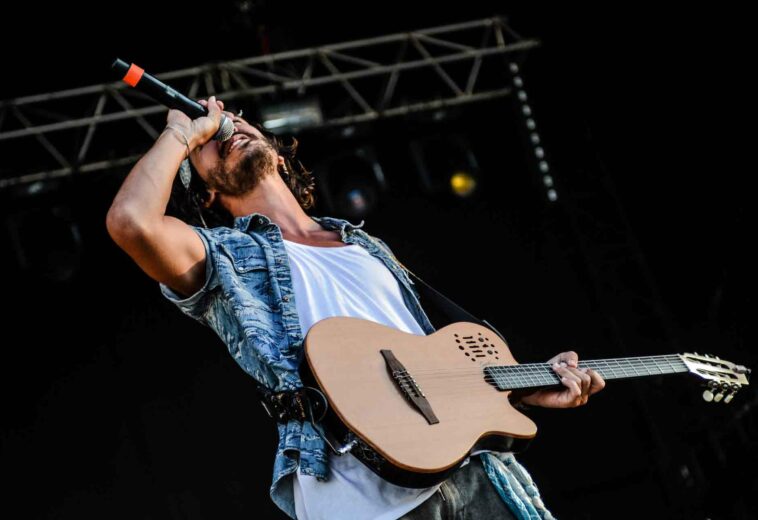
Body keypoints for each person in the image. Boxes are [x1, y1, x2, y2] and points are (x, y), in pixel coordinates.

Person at [106, 95, 606, 520]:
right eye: (210, 142)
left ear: (278, 156)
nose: (226, 129)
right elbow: (131, 221)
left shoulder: (365, 246)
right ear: (208, 191)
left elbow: (438, 361)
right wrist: (180, 133)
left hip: (475, 474)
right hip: (361, 498)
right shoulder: (222, 257)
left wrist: (524, 386)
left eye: (236, 120)